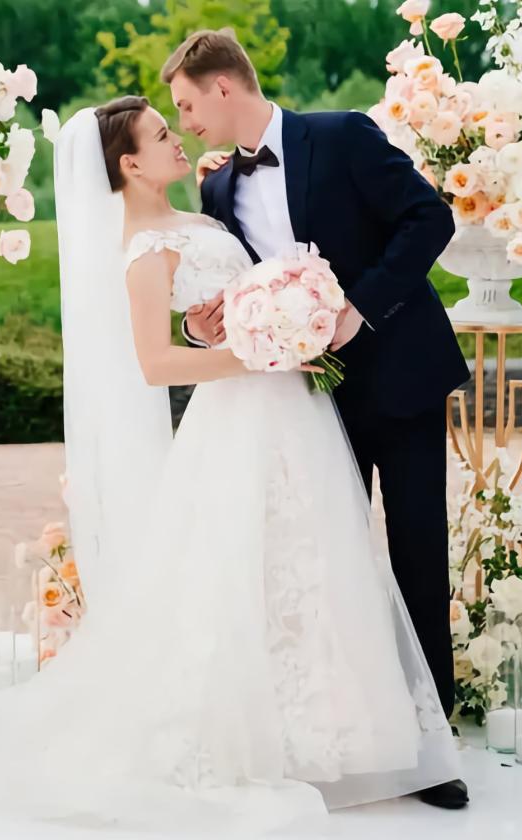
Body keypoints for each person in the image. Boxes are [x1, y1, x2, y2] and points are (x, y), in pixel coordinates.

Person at [0, 92, 460, 833]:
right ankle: (256, 731)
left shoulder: (201, 212)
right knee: (244, 569)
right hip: (244, 409)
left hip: (297, 407)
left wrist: (251, 323)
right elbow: (156, 364)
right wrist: (256, 351)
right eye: (162, 134)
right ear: (128, 163)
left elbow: (230, 301)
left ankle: (352, 730)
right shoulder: (142, 249)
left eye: (176, 124)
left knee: (319, 560)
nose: (178, 138)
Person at [173, 28, 471, 809]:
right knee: (330, 565)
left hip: (399, 376)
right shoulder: (214, 192)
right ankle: (343, 731)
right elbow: (232, 293)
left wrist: (358, 308)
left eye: (187, 103)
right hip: (305, 404)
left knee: (415, 552)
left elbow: (427, 220)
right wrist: (203, 329)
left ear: (224, 87)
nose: (185, 121)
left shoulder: (340, 136)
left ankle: (434, 752)